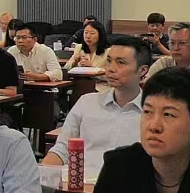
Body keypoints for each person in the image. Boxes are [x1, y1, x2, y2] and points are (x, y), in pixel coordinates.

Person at [44, 37, 149, 180]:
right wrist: (41, 177)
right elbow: (62, 149)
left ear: (142, 70)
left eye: (121, 62)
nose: (111, 68)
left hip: (126, 189)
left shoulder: (152, 114)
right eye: (109, 61)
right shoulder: (87, 103)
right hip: (81, 185)